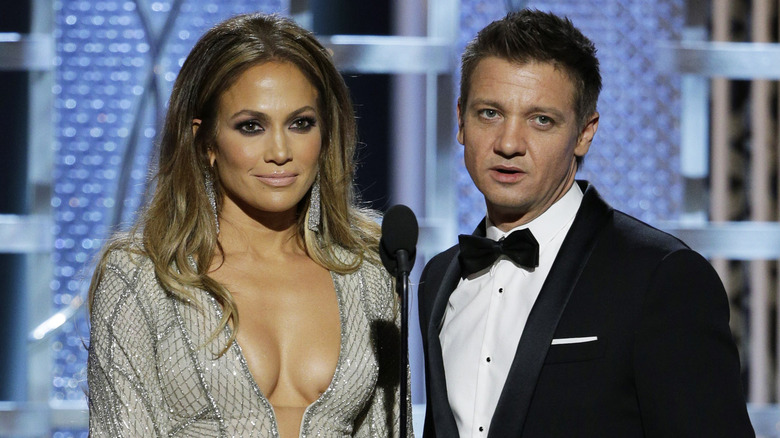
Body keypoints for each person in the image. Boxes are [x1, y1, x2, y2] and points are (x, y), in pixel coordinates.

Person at [417, 9, 754, 438]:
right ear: (461, 118)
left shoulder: (661, 277)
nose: (508, 143)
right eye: (490, 113)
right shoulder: (438, 278)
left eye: (541, 120)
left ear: (584, 132)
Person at [87, 13, 409, 437]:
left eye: (300, 123)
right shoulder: (143, 278)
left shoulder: (369, 272)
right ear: (206, 143)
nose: (279, 151)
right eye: (250, 127)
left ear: (326, 133)